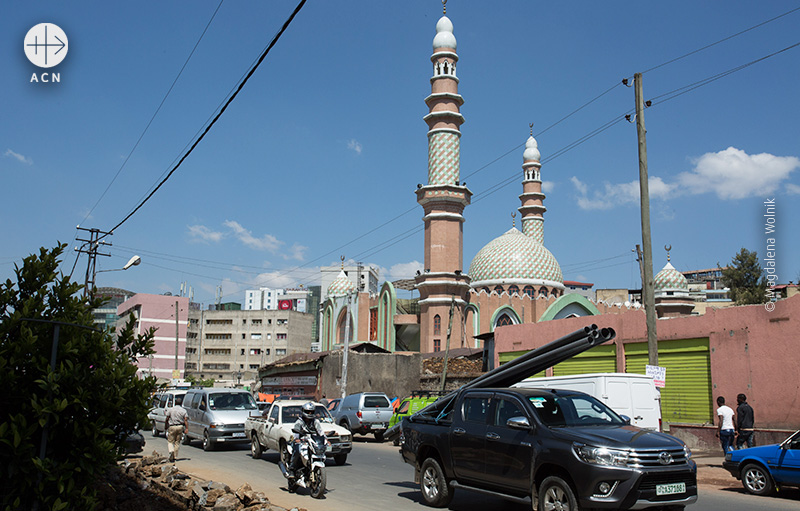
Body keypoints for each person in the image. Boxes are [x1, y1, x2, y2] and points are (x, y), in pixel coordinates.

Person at [287, 402, 326, 480]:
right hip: (301, 441)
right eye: (308, 412)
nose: (310, 413)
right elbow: (295, 433)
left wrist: (325, 439)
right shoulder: (299, 421)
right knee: (297, 450)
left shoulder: (315, 421)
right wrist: (297, 439)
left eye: (311, 412)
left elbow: (320, 431)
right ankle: (291, 469)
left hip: (311, 441)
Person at [164, 395, 188, 463]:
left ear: (175, 403)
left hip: (172, 426)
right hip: (180, 426)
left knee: (170, 441)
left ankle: (171, 451)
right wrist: (186, 428)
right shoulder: (183, 410)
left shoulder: (170, 409)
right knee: (177, 442)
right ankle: (175, 456)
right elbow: (185, 420)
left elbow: (167, 418)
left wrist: (166, 425)